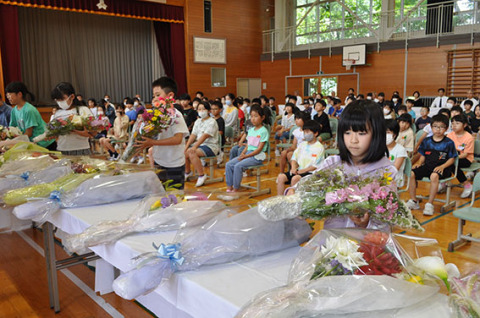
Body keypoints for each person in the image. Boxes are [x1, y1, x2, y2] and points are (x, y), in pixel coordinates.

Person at [299, 100, 396, 230]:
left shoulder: (387, 172)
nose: (353, 140)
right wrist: (294, 192)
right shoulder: (332, 164)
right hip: (333, 241)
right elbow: (310, 186)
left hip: (369, 244)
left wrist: (366, 224)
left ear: (376, 134)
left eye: (361, 133)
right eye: (347, 132)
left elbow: (390, 217)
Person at [134, 77, 189, 189]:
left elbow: (177, 139)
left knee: (174, 196)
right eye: (153, 96)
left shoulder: (175, 115)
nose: (155, 98)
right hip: (160, 160)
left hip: (174, 164)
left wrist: (152, 142)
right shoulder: (157, 114)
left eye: (158, 94)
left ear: (170, 96)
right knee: (162, 195)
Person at [406, 114, 458, 216]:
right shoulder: (426, 141)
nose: (438, 130)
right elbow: (423, 156)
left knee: (434, 175)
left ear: (446, 128)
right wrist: (419, 164)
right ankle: (414, 201)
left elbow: (452, 159)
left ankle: (429, 204)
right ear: (431, 127)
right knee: (411, 173)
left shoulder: (449, 143)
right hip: (428, 166)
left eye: (441, 127)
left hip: (443, 168)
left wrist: (442, 166)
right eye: (435, 126)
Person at [225, 105, 269, 192]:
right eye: (251, 116)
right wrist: (243, 154)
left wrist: (246, 156)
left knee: (238, 166)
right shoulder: (251, 130)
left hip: (257, 156)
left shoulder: (264, 131)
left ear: (262, 117)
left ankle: (236, 188)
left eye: (256, 116)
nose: (253, 119)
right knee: (228, 164)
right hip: (248, 153)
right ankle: (229, 187)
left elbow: (259, 149)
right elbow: (248, 145)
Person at [276, 120, 324, 195]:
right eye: (304, 132)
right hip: (299, 171)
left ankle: (292, 202)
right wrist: (293, 168)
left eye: (308, 132)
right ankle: (279, 200)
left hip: (311, 173)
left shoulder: (319, 147)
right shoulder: (302, 144)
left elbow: (315, 166)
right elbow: (294, 158)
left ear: (316, 133)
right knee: (281, 177)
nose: (305, 134)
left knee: (295, 178)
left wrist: (303, 171)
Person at [6, 81, 55, 150]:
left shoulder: (29, 110)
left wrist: (14, 142)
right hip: (34, 143)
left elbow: (29, 133)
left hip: (45, 143)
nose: (8, 97)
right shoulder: (14, 111)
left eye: (10, 94)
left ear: (19, 94)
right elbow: (12, 128)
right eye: (7, 94)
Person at [50, 82, 94, 156]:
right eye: (57, 100)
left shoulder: (83, 110)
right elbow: (55, 133)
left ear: (72, 96)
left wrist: (74, 130)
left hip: (80, 149)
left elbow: (91, 134)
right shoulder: (57, 113)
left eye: (62, 99)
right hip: (62, 149)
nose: (60, 102)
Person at [184, 101, 219, 187]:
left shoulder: (212, 122)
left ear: (209, 111)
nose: (201, 111)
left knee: (192, 152)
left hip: (210, 146)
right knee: (184, 152)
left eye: (203, 109)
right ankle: (187, 172)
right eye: (199, 109)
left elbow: (205, 136)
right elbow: (193, 135)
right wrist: (186, 146)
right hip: (199, 145)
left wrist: (194, 147)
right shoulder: (197, 121)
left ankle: (202, 175)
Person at [447, 114, 474, 198]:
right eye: (453, 123)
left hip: (465, 158)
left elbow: (465, 154)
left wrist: (453, 158)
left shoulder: (469, 137)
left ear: (464, 125)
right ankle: (444, 183)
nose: (454, 125)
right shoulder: (450, 135)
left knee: (451, 164)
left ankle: (467, 185)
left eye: (457, 123)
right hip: (453, 156)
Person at [386, 119, 407, 187]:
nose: (385, 135)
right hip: (380, 177)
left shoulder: (400, 149)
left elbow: (394, 169)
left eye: (388, 132)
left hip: (395, 178)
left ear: (394, 134)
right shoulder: (379, 148)